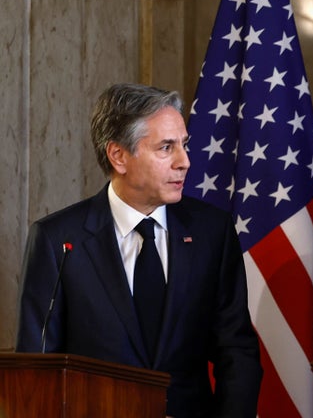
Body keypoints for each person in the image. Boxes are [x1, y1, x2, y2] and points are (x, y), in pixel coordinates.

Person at [16, 83, 263, 417]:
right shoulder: (58, 239)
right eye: (166, 148)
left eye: (184, 145)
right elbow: (37, 368)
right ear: (119, 156)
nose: (185, 162)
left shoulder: (212, 232)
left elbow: (237, 350)